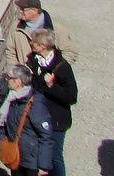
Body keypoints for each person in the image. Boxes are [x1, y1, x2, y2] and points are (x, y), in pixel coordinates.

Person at [27, 27, 77, 176]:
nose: (31, 45)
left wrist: (52, 86)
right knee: (36, 154)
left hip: (56, 120)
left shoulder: (62, 67)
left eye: (34, 43)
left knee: (54, 157)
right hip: (37, 116)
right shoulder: (33, 61)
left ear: (42, 46)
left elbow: (72, 97)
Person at [1, 64, 59, 176]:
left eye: (9, 78)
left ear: (18, 82)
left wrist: (43, 166)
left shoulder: (35, 104)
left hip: (32, 162)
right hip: (17, 156)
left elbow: (46, 135)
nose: (6, 80)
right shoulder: (13, 99)